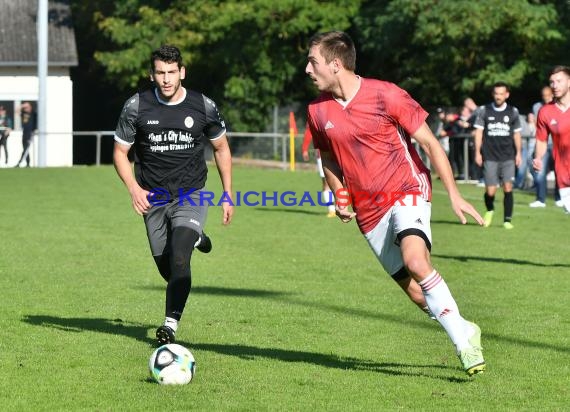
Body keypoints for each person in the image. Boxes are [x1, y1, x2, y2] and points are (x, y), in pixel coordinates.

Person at [305, 31, 485, 376]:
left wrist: (455, 194)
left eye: (313, 61)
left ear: (336, 64)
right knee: (419, 296)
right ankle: (464, 326)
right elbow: (327, 157)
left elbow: (431, 145)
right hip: (368, 212)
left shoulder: (386, 94)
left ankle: (465, 347)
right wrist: (340, 195)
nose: (308, 70)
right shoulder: (317, 110)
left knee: (416, 261)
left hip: (406, 189)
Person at [113, 45, 234, 345]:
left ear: (182, 72)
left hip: (191, 193)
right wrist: (133, 189)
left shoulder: (203, 106)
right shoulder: (136, 106)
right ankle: (197, 238)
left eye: (171, 72)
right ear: (151, 74)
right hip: (152, 198)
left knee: (180, 258)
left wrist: (228, 193)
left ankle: (169, 326)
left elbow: (221, 148)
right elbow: (119, 152)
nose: (166, 79)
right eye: (160, 73)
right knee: (169, 270)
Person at [474, 82, 522, 229]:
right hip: (490, 156)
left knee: (508, 187)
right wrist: (477, 152)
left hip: (508, 156)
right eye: (496, 93)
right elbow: (479, 132)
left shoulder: (513, 111)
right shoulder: (484, 110)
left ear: (507, 95)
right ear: (493, 94)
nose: (498, 96)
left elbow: (517, 134)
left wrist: (519, 153)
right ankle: (489, 210)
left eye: (501, 94)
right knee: (490, 190)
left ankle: (507, 220)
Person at [533, 65, 570, 214]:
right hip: (563, 176)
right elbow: (541, 140)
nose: (555, 86)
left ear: (569, 82)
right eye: (552, 82)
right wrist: (538, 158)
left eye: (559, 81)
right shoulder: (545, 112)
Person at [528, 85, 562, 208]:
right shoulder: (537, 107)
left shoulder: (561, 106)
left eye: (548, 95)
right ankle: (540, 199)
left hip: (558, 145)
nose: (546, 98)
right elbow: (538, 125)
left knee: (560, 172)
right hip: (543, 144)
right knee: (540, 172)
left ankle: (560, 198)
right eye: (544, 96)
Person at [301, 125, 336, 217]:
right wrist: (305, 149)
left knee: (344, 181)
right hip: (322, 155)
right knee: (326, 182)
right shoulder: (314, 112)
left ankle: (342, 206)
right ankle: (331, 209)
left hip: (338, 152)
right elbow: (309, 131)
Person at [16, 102, 36, 167]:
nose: (25, 109)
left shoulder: (33, 114)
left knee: (25, 149)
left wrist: (27, 104)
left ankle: (19, 163)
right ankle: (28, 164)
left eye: (27, 107)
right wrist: (22, 106)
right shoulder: (24, 114)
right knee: (25, 149)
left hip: (29, 134)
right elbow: (16, 111)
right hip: (24, 133)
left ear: (30, 107)